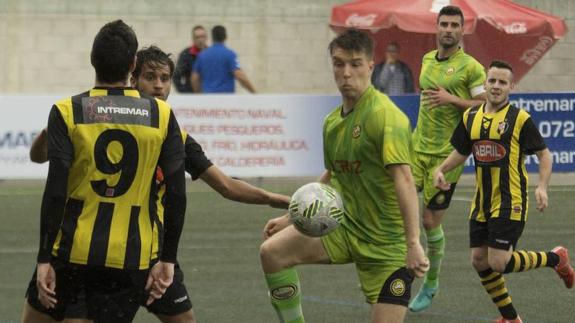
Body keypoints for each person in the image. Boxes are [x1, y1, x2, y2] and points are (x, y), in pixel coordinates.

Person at [25, 45, 291, 323]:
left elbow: (225, 185)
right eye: (150, 77)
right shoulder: (94, 119)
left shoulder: (172, 133)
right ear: (132, 78)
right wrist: (51, 132)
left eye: (165, 78)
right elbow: (39, 158)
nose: (159, 86)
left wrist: (277, 199)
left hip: (153, 251)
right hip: (93, 248)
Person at [21, 20, 187, 323]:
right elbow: (176, 193)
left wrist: (44, 257)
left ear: (92, 60)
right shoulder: (161, 114)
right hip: (131, 256)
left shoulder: (68, 110)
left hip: (71, 251)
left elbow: (55, 190)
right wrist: (168, 258)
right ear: (133, 64)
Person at [258, 29, 429, 323]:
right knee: (272, 252)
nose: (346, 73)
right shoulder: (332, 122)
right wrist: (292, 216)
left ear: (370, 67)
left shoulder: (385, 116)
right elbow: (332, 174)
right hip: (344, 228)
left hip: (387, 247)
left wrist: (413, 242)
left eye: (355, 64)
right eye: (339, 64)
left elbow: (404, 179)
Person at [433, 60, 574, 323]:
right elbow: (462, 151)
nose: (496, 86)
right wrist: (441, 169)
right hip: (481, 203)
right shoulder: (470, 117)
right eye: (492, 81)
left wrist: (542, 186)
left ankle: (556, 258)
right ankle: (511, 318)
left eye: (502, 82)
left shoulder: (520, 119)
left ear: (512, 86)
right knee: (478, 260)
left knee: (498, 262)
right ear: (485, 83)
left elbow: (545, 155)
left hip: (511, 201)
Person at [408, 5, 487, 312]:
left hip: (448, 155)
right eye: (444, 24)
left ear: (462, 30)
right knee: (395, 202)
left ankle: (431, 282)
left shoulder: (472, 68)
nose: (449, 29)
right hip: (416, 148)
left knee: (429, 220)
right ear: (437, 28)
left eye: (455, 24)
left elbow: (483, 108)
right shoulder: (427, 59)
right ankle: (398, 267)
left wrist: (452, 99)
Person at [191, 25, 256, 93]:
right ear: (225, 37)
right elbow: (240, 76)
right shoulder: (230, 54)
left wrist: (198, 95)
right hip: (225, 99)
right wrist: (254, 92)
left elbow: (194, 78)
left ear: (212, 38)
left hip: (208, 99)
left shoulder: (202, 55)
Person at [173, 25, 208, 93]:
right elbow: (176, 77)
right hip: (191, 96)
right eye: (197, 37)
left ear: (206, 38)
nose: (200, 40)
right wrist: (186, 93)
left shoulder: (211, 53)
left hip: (210, 95)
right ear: (193, 39)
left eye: (202, 36)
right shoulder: (186, 54)